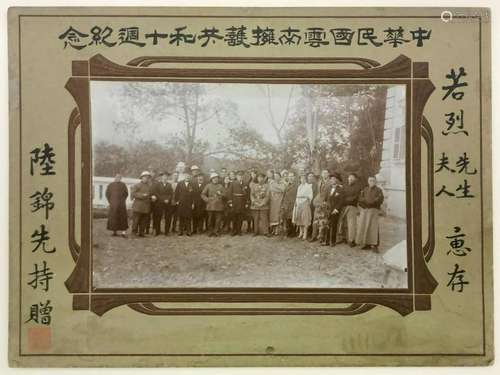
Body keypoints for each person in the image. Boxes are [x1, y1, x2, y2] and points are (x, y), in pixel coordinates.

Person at [356, 176, 384, 251]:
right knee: (365, 226)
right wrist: (365, 203)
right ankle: (366, 243)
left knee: (373, 227)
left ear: (375, 181)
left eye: (373, 180)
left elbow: (379, 199)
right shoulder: (365, 189)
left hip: (373, 210)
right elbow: (360, 198)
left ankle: (375, 245)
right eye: (370, 180)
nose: (371, 182)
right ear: (368, 181)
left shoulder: (379, 190)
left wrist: (371, 203)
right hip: (365, 210)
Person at [338, 172, 362, 247]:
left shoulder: (358, 187)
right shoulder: (344, 186)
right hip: (344, 206)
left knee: (352, 224)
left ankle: (352, 240)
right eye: (349, 177)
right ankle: (344, 238)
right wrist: (345, 201)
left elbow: (356, 197)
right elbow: (342, 196)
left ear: (355, 179)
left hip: (352, 207)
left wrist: (347, 200)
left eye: (352, 177)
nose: (350, 178)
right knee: (343, 223)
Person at [201, 173, 226, 237]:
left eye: (216, 178)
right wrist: (207, 200)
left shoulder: (220, 186)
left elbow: (225, 195)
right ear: (211, 179)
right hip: (210, 206)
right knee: (210, 220)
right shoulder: (208, 186)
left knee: (218, 220)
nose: (215, 179)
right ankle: (210, 232)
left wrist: (220, 194)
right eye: (214, 178)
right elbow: (203, 194)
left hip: (219, 206)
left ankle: (216, 231)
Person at [227, 170, 249, 236]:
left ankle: (239, 230)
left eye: (241, 176)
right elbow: (229, 193)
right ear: (236, 176)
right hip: (235, 202)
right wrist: (230, 202)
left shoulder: (245, 183)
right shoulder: (233, 183)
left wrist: (247, 202)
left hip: (242, 202)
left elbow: (247, 194)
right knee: (234, 217)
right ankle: (234, 230)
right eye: (239, 176)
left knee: (240, 217)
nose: (240, 177)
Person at [150, 172, 173, 236]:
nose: (165, 178)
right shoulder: (157, 184)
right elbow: (156, 193)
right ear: (161, 177)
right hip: (159, 203)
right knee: (157, 217)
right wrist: (163, 200)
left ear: (167, 178)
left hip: (167, 204)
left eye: (166, 177)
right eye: (163, 177)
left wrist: (168, 199)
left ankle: (167, 231)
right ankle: (157, 231)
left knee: (168, 217)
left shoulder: (169, 185)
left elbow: (171, 194)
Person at [131, 171, 152, 237]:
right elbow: (133, 194)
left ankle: (141, 232)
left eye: (147, 177)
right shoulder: (137, 185)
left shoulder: (149, 186)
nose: (146, 179)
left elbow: (150, 195)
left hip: (146, 206)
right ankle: (134, 232)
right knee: (136, 220)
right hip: (138, 206)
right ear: (141, 178)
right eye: (145, 177)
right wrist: (142, 195)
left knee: (144, 220)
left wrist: (152, 197)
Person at [292, 173, 314, 240]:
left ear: (305, 179)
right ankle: (300, 233)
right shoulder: (299, 187)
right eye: (301, 179)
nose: (303, 180)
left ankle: (305, 234)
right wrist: (296, 202)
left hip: (305, 202)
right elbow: (297, 195)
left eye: (304, 179)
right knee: (299, 218)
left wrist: (307, 200)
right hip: (298, 203)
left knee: (305, 218)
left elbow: (311, 195)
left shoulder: (308, 186)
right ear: (300, 179)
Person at [326, 171, 344, 247]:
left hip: (335, 210)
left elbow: (341, 200)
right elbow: (326, 198)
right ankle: (326, 241)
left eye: (334, 179)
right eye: (331, 179)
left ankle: (332, 241)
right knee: (327, 225)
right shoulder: (329, 188)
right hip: (328, 210)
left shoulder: (340, 189)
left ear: (336, 180)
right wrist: (325, 204)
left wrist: (336, 209)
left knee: (334, 225)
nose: (332, 180)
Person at [280, 170, 298, 237]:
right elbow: (284, 194)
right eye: (289, 176)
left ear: (294, 177)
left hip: (293, 203)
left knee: (292, 218)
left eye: (292, 176)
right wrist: (283, 203)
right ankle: (288, 231)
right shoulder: (287, 185)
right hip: (286, 203)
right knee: (287, 218)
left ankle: (293, 232)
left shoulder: (296, 185)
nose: (291, 177)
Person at [269, 171, 286, 235]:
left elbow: (283, 189)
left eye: (277, 176)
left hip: (279, 201)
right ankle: (273, 229)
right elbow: (271, 189)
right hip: (273, 201)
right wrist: (278, 189)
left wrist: (276, 188)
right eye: (275, 176)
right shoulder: (272, 182)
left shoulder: (282, 183)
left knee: (278, 215)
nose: (276, 177)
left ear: (279, 176)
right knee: (272, 215)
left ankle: (277, 230)